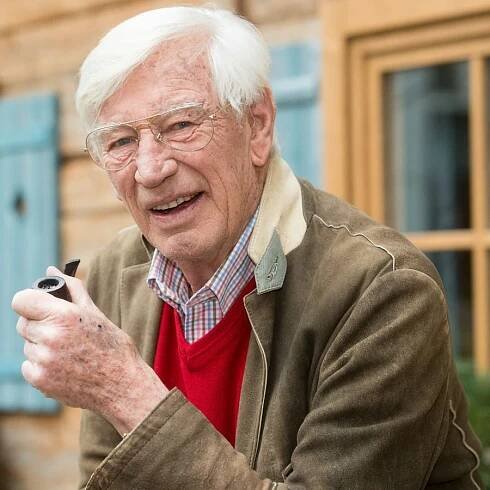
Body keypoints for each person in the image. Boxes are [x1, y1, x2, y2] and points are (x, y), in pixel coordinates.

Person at [12, 6, 482, 489]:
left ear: (258, 126)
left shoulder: (382, 292)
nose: (150, 170)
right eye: (121, 142)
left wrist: (124, 390)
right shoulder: (116, 270)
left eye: (181, 125)